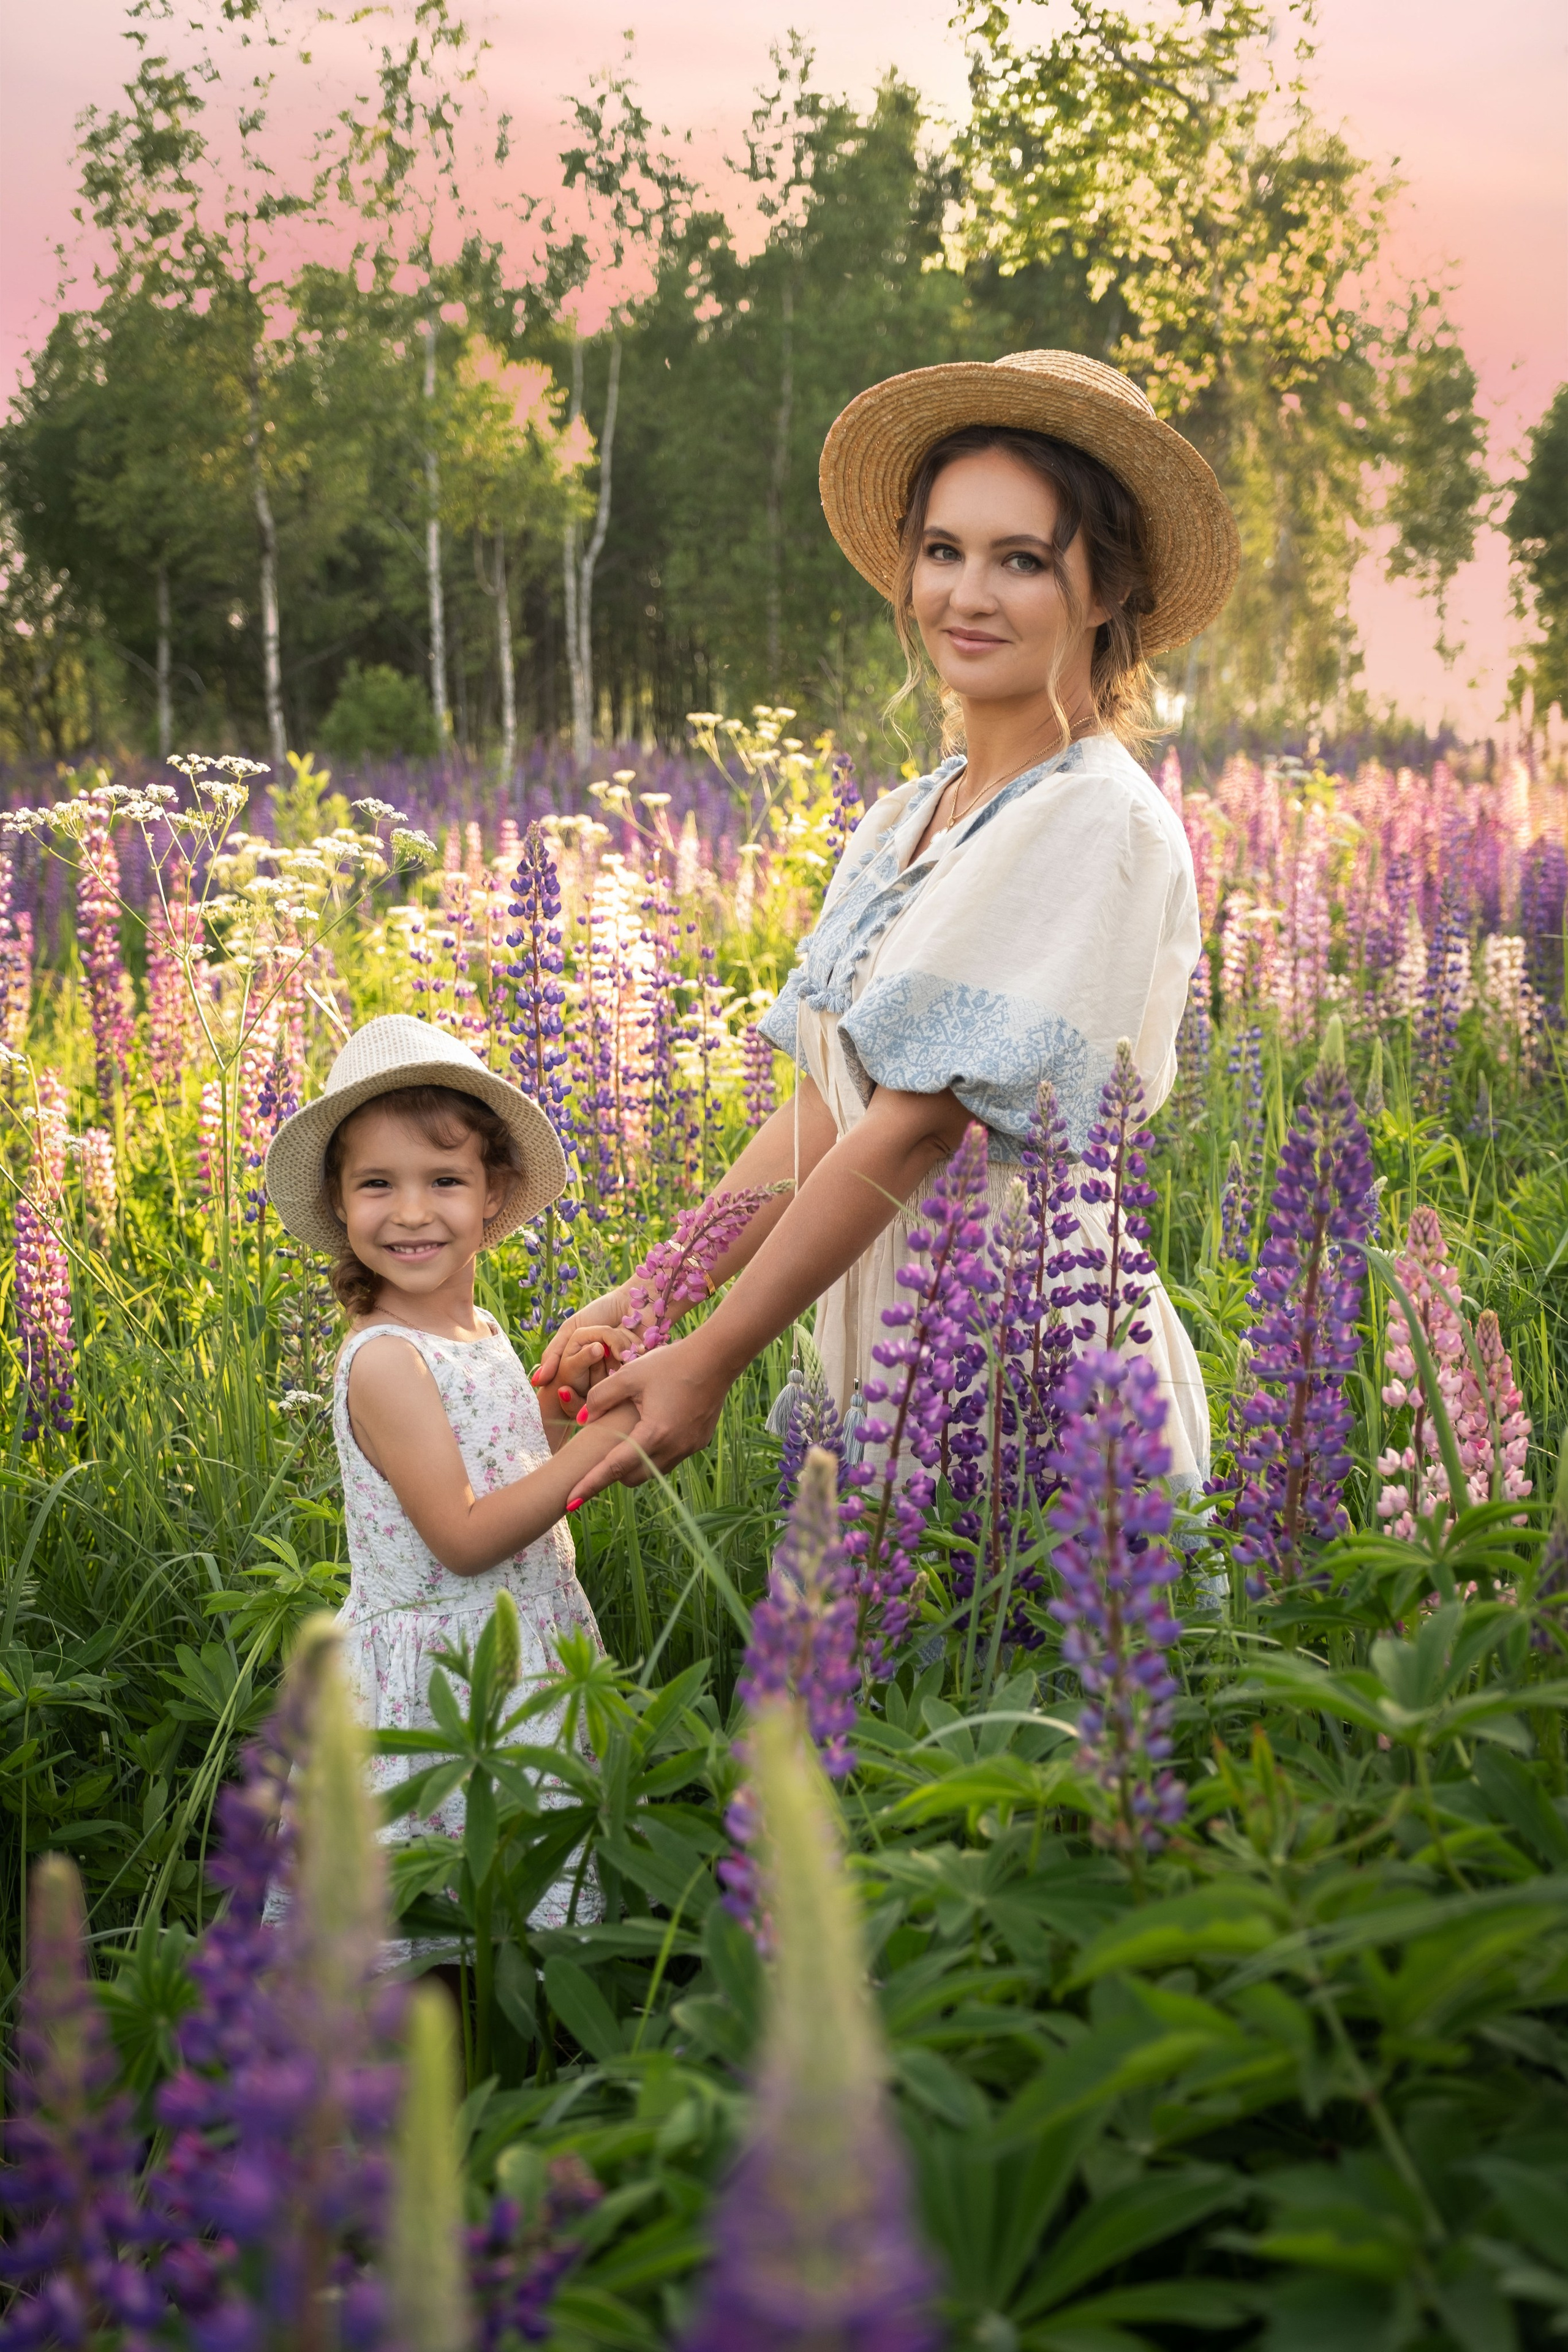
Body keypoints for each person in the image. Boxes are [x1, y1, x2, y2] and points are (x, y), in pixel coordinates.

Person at [536, 348, 1239, 1502]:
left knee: (1010, 1663)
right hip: (891, 1322)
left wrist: (711, 1361)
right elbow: (829, 1108)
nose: (968, 594)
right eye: (943, 551)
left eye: (1022, 559)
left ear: (1107, 588)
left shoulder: (1096, 819)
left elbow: (920, 1130)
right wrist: (656, 1293)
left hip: (1021, 1335)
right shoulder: (908, 819)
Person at [264, 1013, 629, 1929]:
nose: (413, 1211)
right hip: (433, 1685)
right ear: (340, 1206)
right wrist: (606, 1444)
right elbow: (465, 1537)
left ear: (494, 1195)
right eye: (378, 1184)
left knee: (529, 1921)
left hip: (521, 1662)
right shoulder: (386, 1359)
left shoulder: (480, 1331)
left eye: (445, 1181)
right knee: (435, 1939)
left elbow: (505, 1473)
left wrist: (561, 1410)